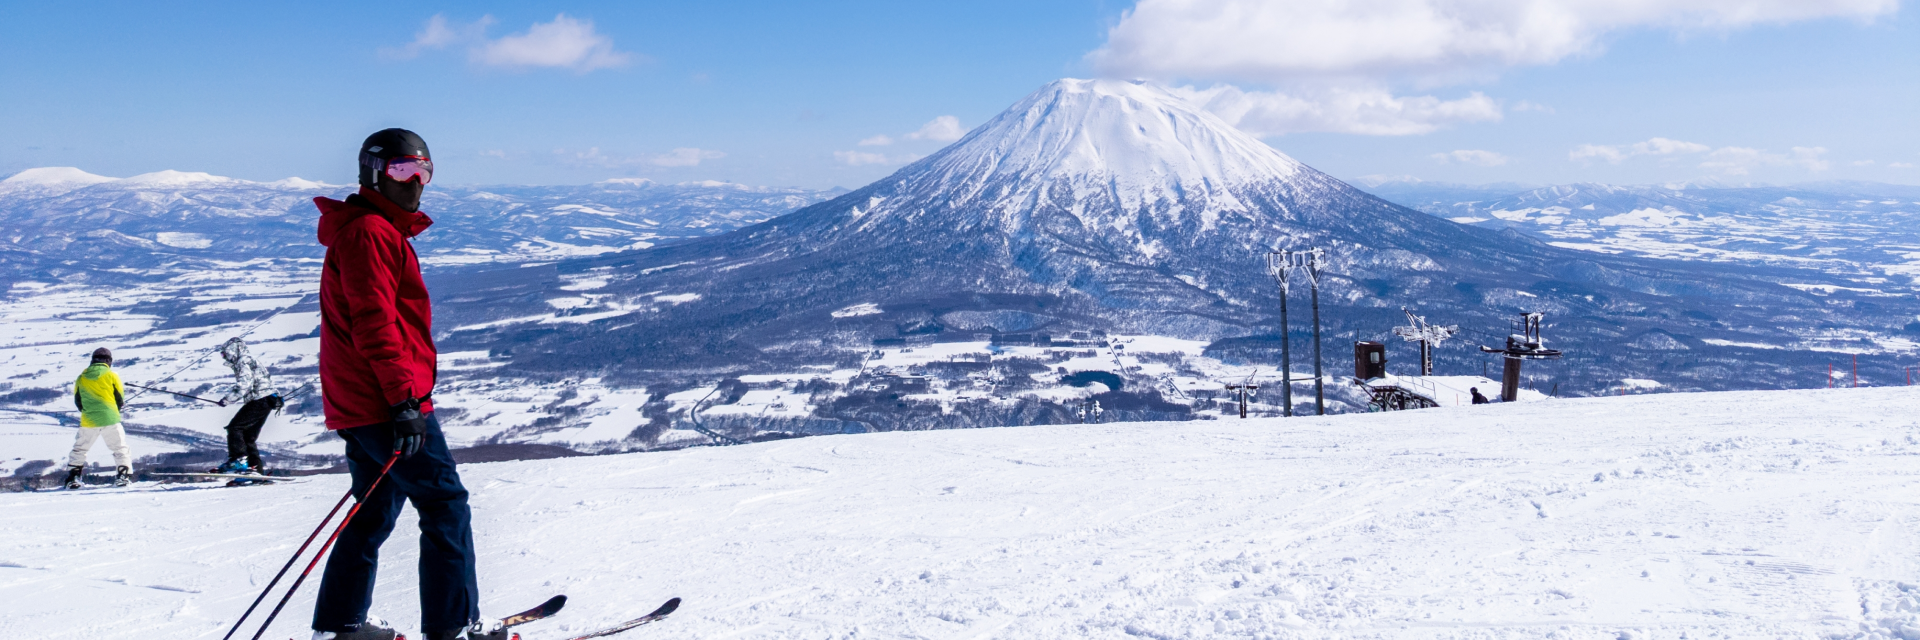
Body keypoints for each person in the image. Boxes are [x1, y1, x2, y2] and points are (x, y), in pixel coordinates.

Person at [308, 129, 505, 640]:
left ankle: (340, 626)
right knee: (445, 505)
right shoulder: (370, 232)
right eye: (402, 170)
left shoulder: (374, 230)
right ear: (374, 174)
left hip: (365, 401)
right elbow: (374, 321)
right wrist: (404, 401)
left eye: (424, 171)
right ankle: (453, 629)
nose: (416, 181)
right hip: (385, 402)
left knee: (373, 509)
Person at [209, 337, 283, 474]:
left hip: (259, 400)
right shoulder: (251, 361)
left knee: (235, 428)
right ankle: (255, 471)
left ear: (233, 351)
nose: (224, 358)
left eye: (224, 354)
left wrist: (227, 400)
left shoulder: (243, 362)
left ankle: (237, 461)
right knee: (248, 437)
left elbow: (244, 384)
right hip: (268, 400)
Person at [65, 347, 132, 488]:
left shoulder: (81, 377)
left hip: (89, 420)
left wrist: (89, 411)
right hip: (110, 418)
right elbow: (119, 398)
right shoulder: (112, 376)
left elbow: (78, 401)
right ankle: (123, 477)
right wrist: (115, 410)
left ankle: (74, 478)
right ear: (108, 361)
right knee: (119, 448)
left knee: (80, 449)